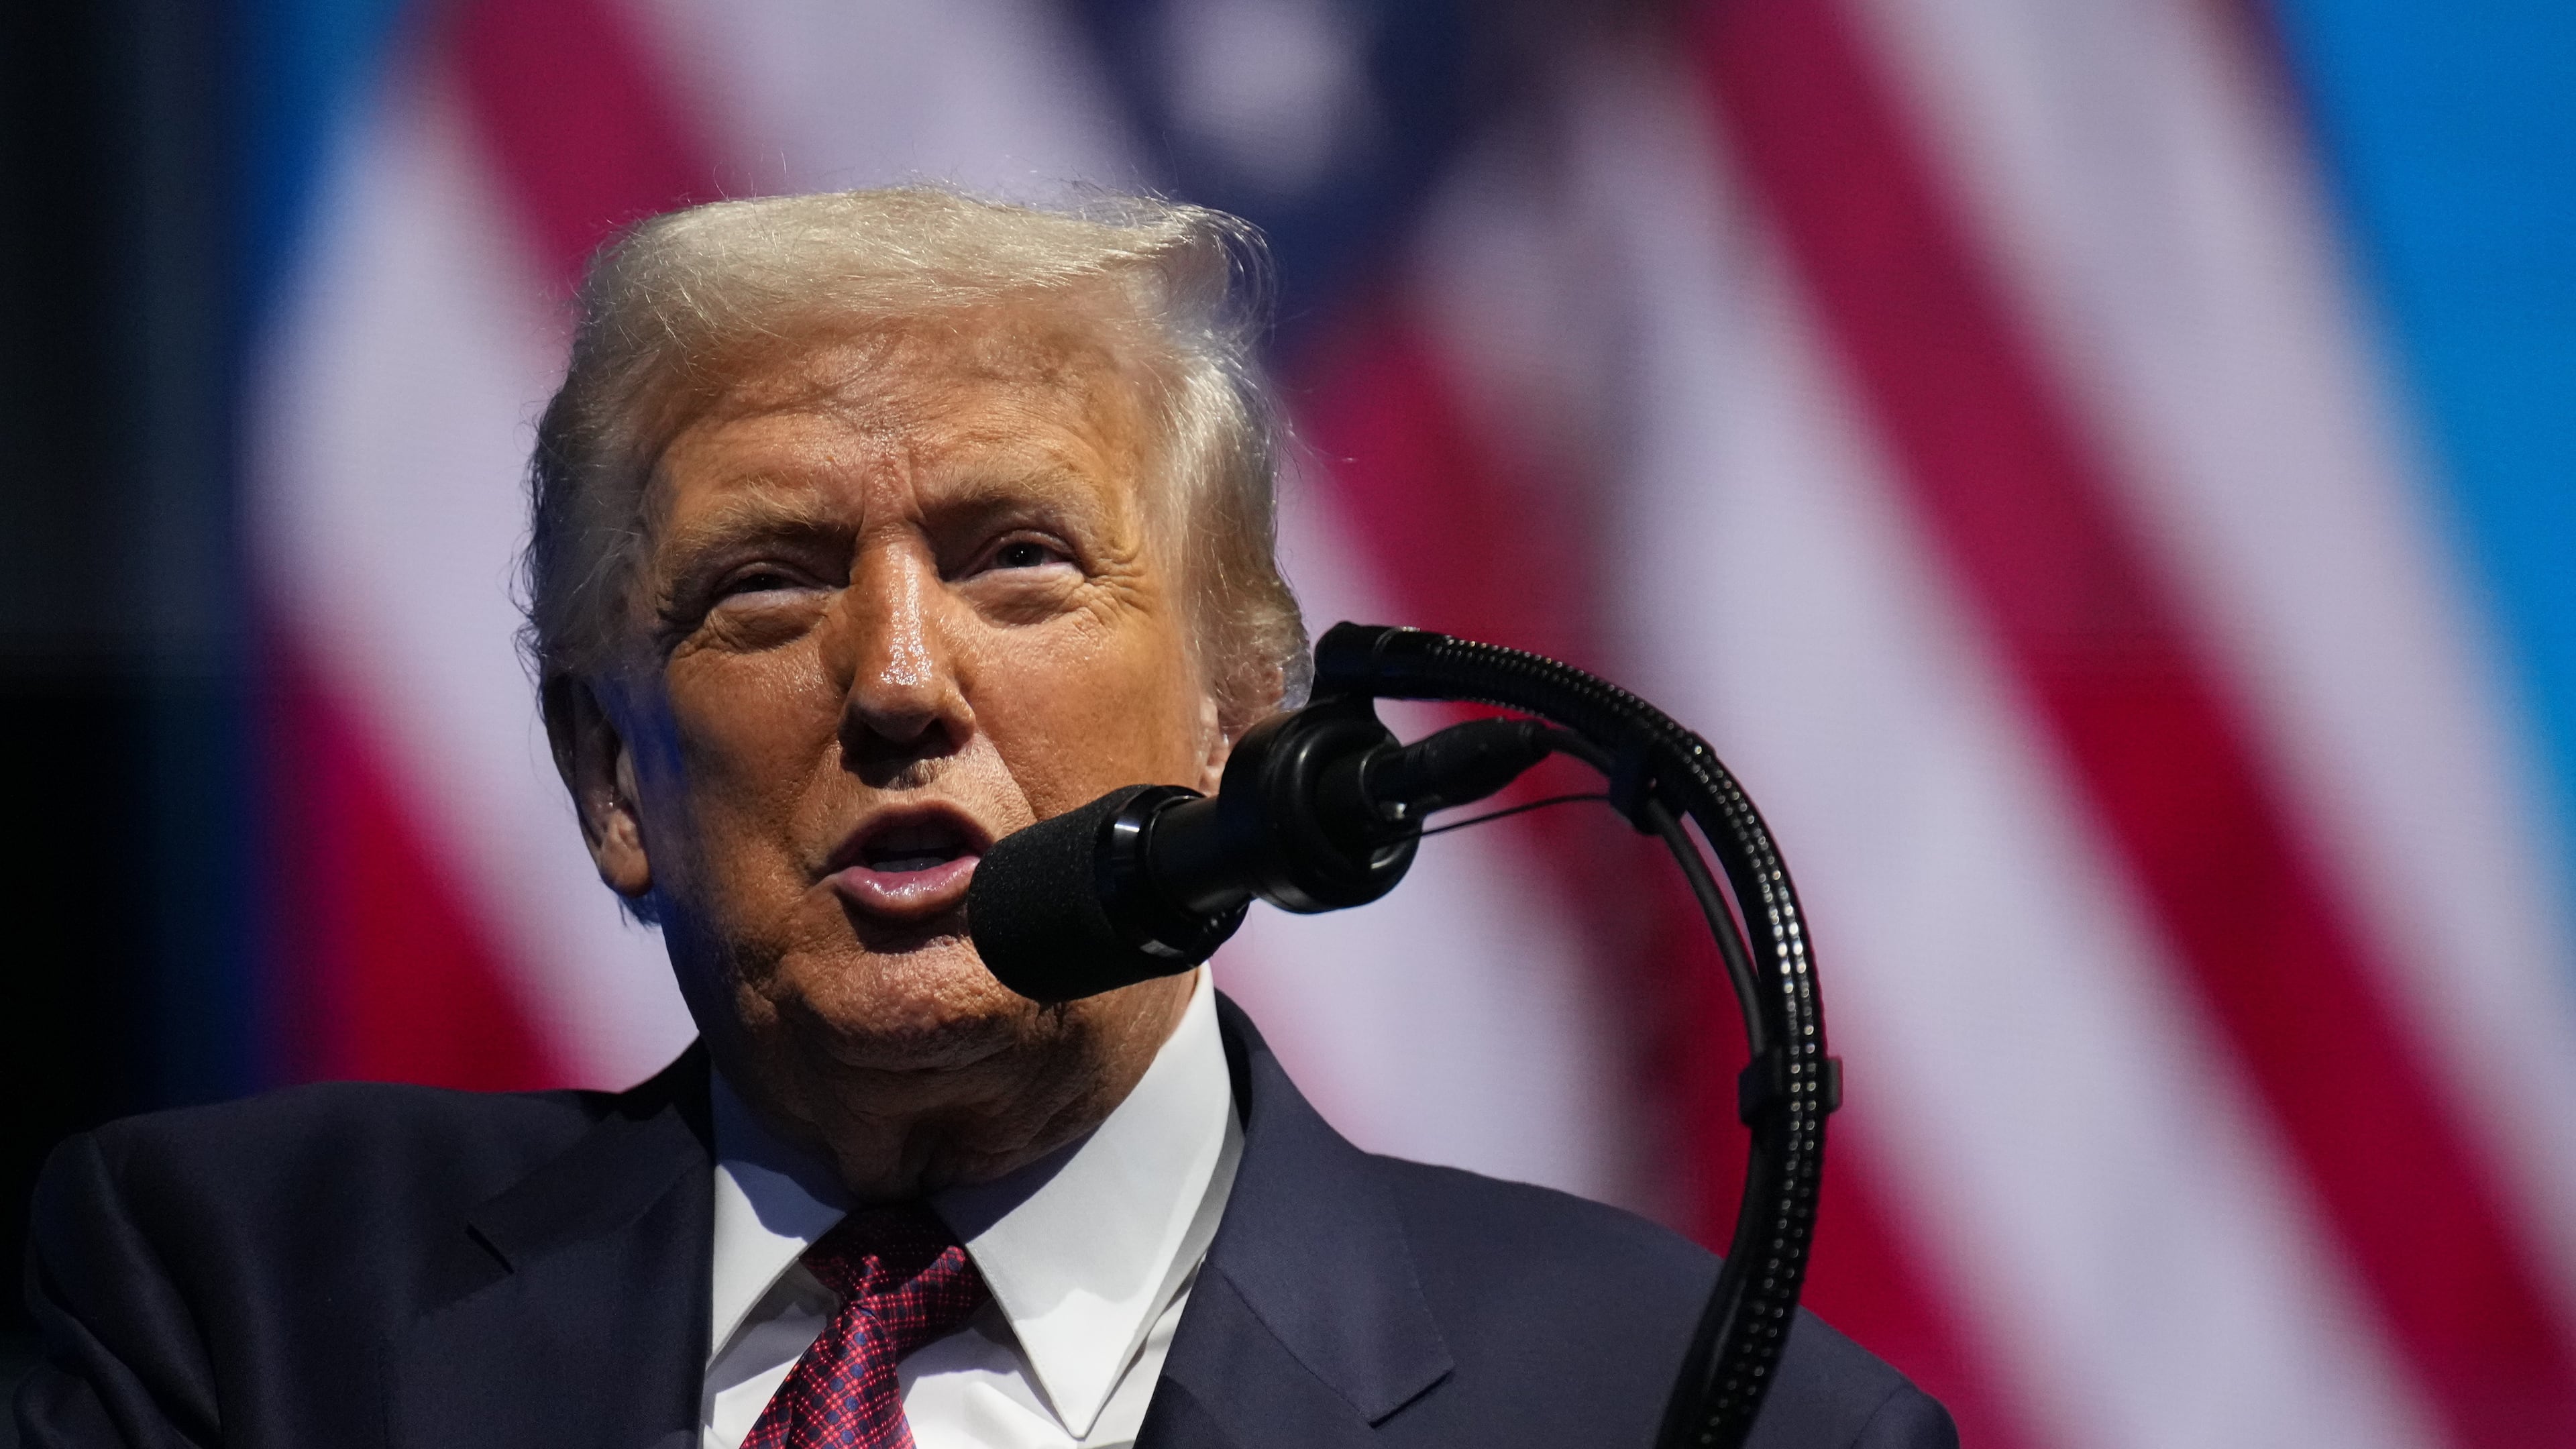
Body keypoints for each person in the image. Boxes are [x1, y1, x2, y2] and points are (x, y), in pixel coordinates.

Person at [17, 188, 1953, 1449]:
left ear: (1234, 717)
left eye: (1021, 563)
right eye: (768, 585)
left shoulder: (1698, 1413)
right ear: (615, 781)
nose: (901, 678)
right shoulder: (240, 1306)